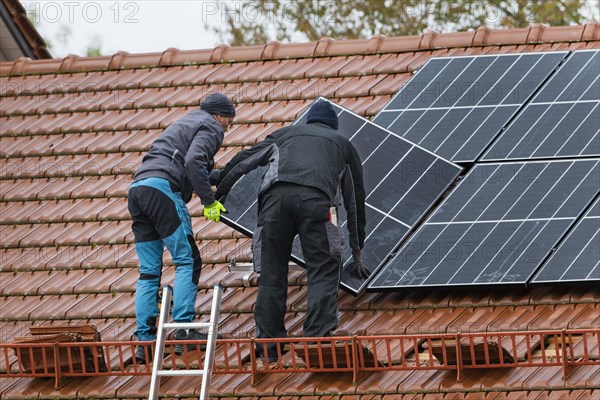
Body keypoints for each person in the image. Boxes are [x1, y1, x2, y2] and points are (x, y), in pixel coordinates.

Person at [212, 99, 369, 362]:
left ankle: (269, 344)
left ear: (308, 122)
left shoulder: (284, 134)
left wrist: (219, 195)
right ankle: (317, 336)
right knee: (324, 267)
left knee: (272, 273)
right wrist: (357, 249)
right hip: (318, 206)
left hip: (274, 207)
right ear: (334, 126)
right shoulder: (343, 145)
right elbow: (355, 202)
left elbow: (242, 162)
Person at [127, 93, 234, 362]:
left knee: (149, 272)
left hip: (139, 190)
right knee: (188, 260)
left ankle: (146, 342)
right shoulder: (211, 126)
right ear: (220, 116)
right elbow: (193, 162)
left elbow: (186, 164)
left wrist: (221, 176)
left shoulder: (184, 122)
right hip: (163, 190)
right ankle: (184, 330)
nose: (228, 128)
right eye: (229, 122)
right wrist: (208, 202)